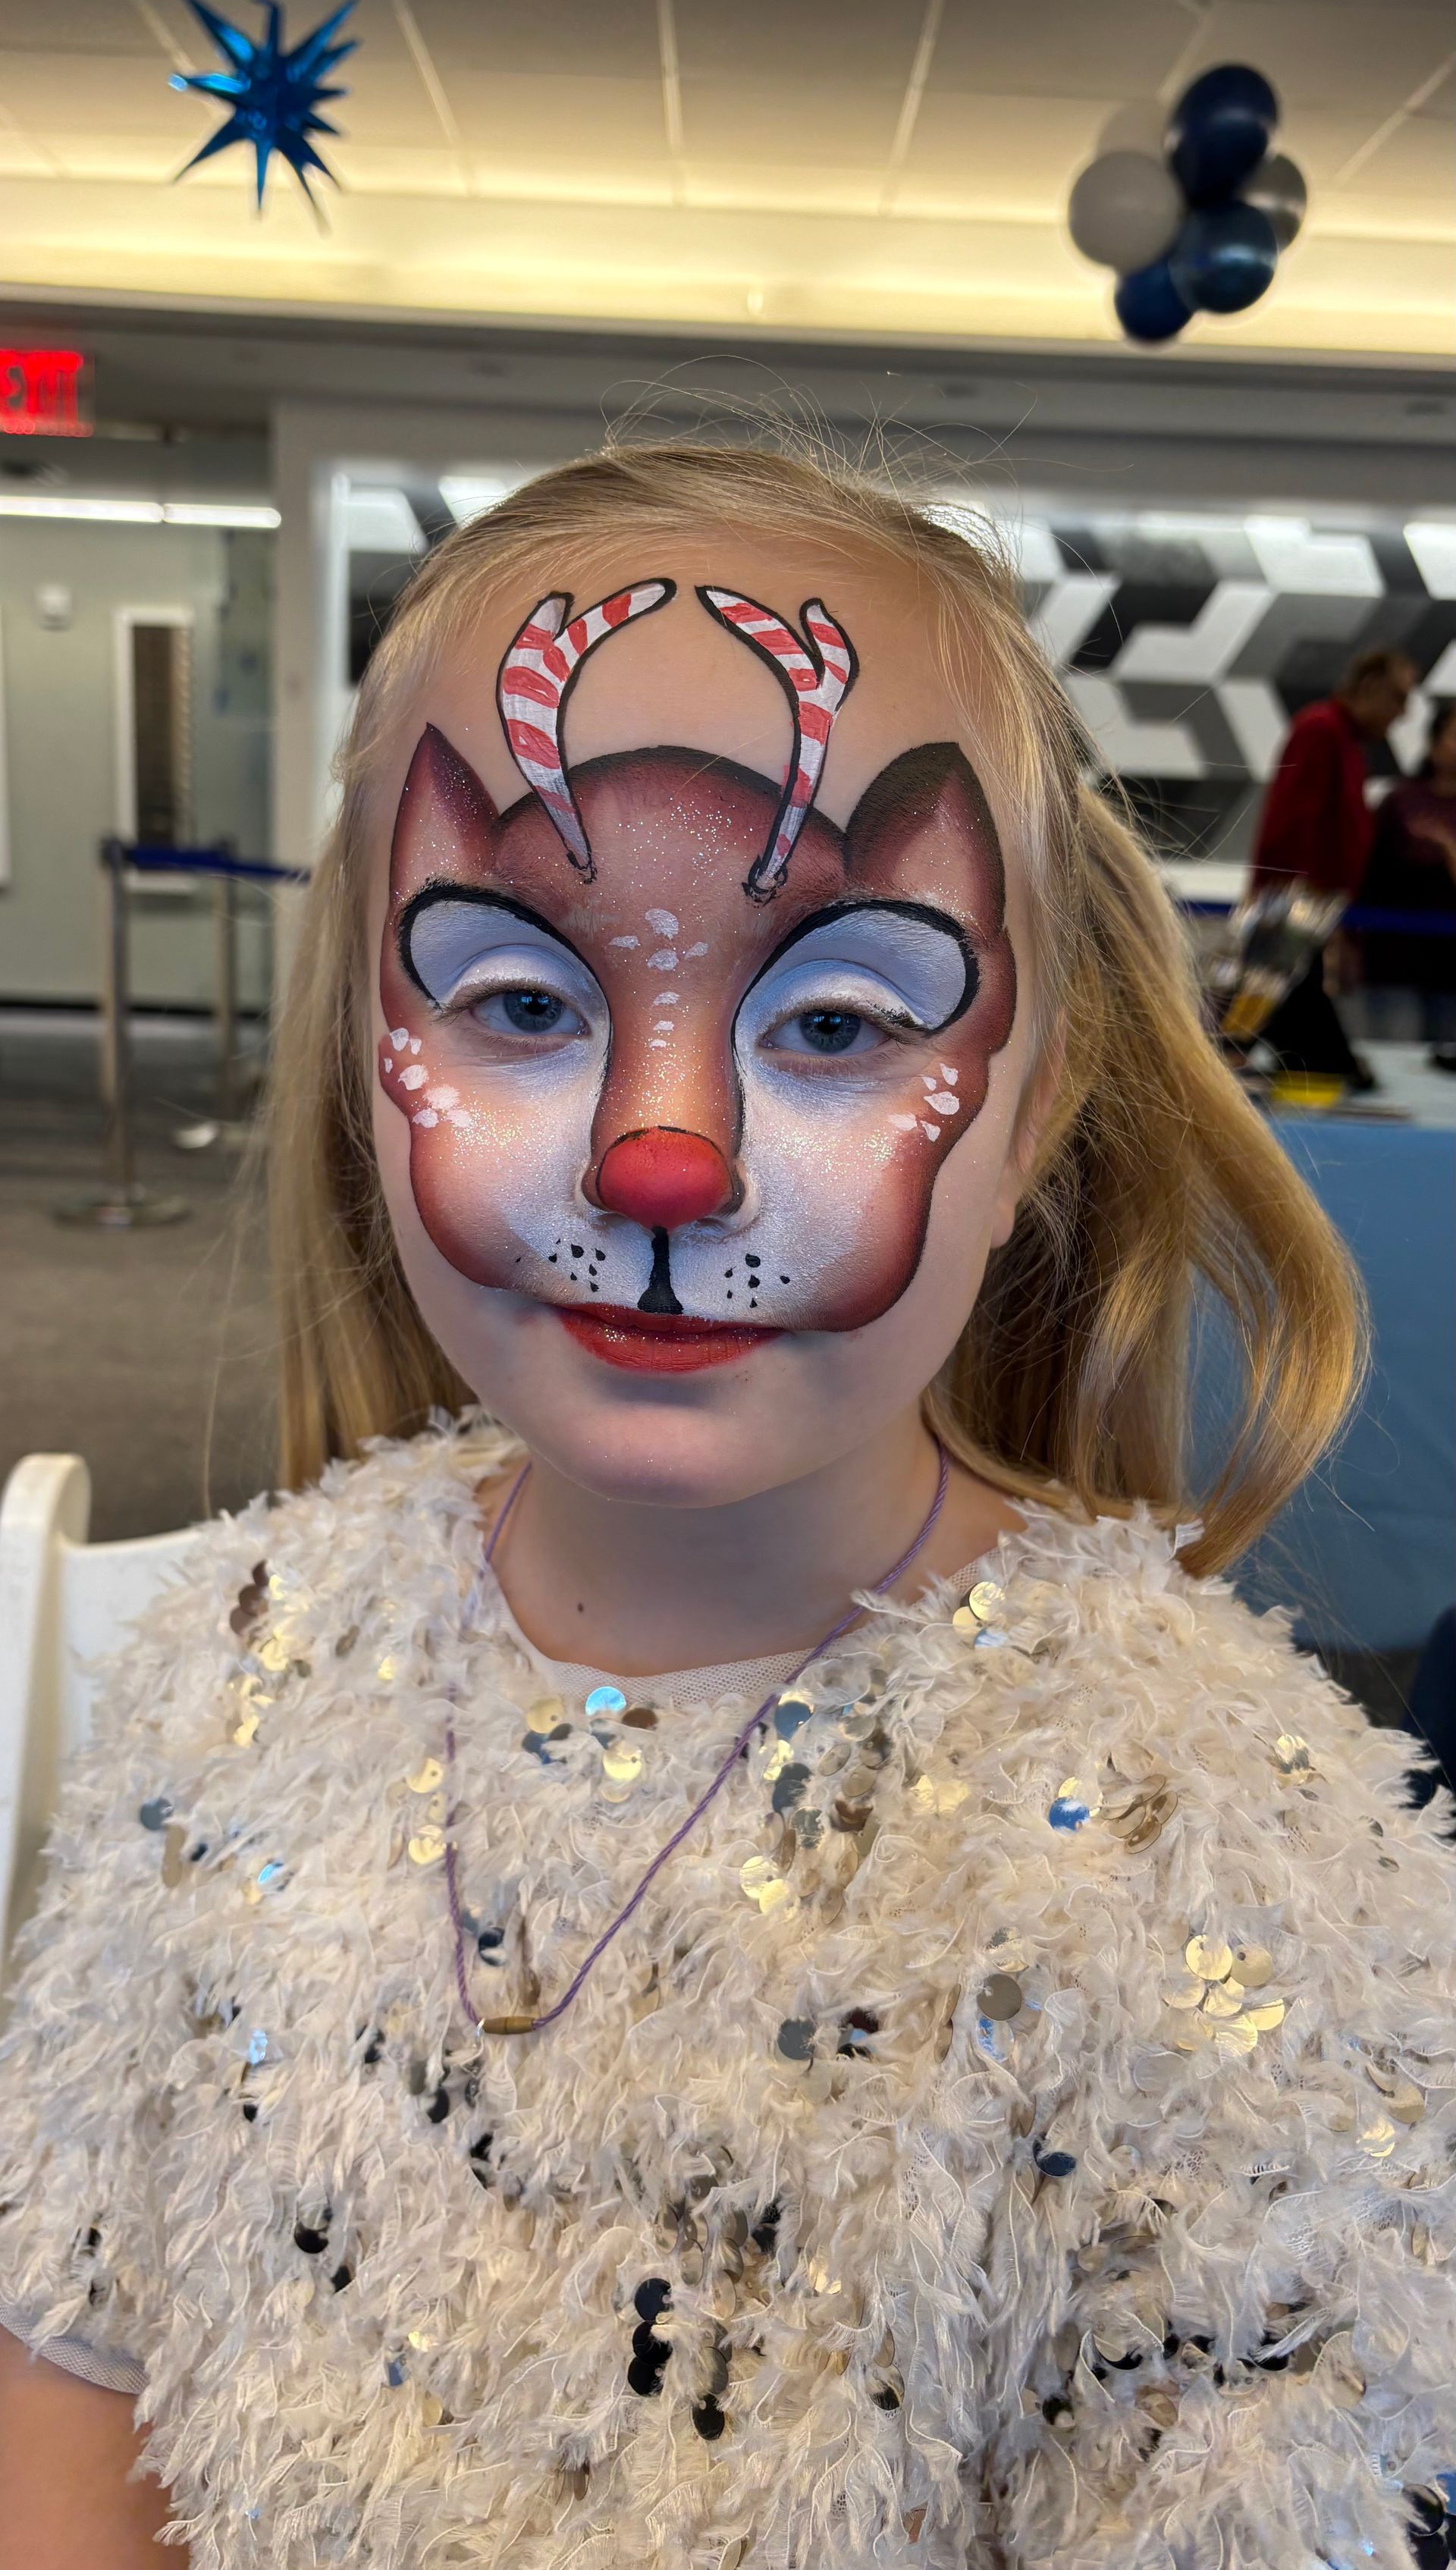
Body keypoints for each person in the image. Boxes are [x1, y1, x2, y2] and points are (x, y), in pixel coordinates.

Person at [2, 444, 1454, 2570]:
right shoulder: (236, 1666)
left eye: (843, 1015)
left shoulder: (1229, 1870)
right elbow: (78, 2378)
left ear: (1039, 1101)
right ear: (366, 1050)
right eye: (515, 998)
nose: (655, 1158)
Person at [1249, 645, 1417, 1089]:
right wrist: (1286, 908)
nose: (1403, 714)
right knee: (1310, 1054)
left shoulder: (1343, 743)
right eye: (1398, 697)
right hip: (1295, 915)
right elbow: (1289, 826)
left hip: (1308, 916)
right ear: (1368, 687)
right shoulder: (1321, 731)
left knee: (1303, 1053)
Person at [1354, 696, 1456, 1067]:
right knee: (1392, 1057)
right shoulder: (1400, 801)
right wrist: (1346, 943)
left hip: (1450, 964)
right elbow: (1366, 873)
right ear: (1433, 742)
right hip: (1393, 954)